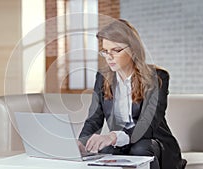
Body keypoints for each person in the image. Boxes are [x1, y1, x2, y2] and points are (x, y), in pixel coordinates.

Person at [78, 19, 186, 169]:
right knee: (103, 150)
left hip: (153, 142)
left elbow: (148, 123)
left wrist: (113, 136)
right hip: (120, 144)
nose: (109, 57)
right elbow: (94, 119)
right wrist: (81, 143)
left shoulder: (157, 77)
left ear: (133, 49)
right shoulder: (102, 78)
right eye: (105, 51)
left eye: (116, 50)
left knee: (139, 149)